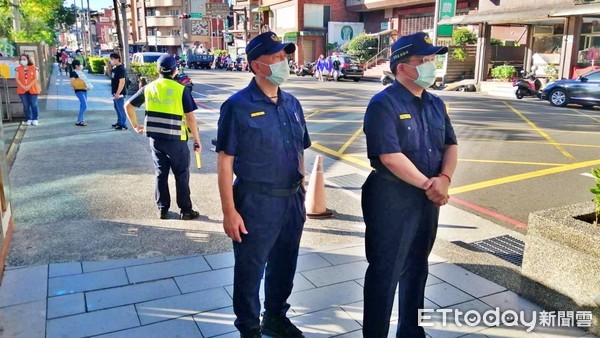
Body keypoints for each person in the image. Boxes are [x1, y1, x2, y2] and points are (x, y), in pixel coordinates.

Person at [361, 32, 458, 338]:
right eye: (423, 60)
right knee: (385, 272)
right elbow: (390, 156)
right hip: (391, 197)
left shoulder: (435, 103)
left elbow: (450, 145)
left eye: (432, 59)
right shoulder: (383, 104)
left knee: (418, 267)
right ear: (402, 68)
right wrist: (430, 184)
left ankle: (411, 331)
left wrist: (443, 179)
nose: (431, 65)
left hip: (427, 199)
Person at [216, 31, 310, 338]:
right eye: (278, 57)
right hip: (256, 202)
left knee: (285, 264)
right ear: (257, 66)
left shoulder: (292, 103)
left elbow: (300, 150)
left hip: (291, 200)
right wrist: (229, 211)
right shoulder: (237, 106)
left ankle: (275, 317)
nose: (285, 62)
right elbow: (225, 161)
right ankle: (249, 328)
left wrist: (303, 190)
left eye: (286, 56)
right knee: (250, 270)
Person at [124, 54, 201, 220]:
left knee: (161, 173)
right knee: (181, 174)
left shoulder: (149, 88)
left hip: (156, 139)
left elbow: (128, 105)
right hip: (177, 140)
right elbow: (190, 118)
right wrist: (197, 139)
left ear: (158, 70)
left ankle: (162, 209)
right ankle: (186, 210)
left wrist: (136, 126)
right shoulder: (181, 90)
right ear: (175, 70)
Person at [15, 54, 41, 126]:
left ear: (28, 60)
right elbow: (17, 78)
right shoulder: (18, 68)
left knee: (34, 104)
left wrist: (28, 86)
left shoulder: (34, 68)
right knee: (26, 105)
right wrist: (23, 86)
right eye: (21, 59)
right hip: (22, 89)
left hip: (33, 88)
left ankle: (35, 118)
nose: (22, 61)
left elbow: (36, 79)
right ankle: (28, 118)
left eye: (24, 59)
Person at [70, 59, 93, 126]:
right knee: (84, 105)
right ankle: (79, 120)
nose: (81, 66)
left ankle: (81, 120)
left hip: (84, 90)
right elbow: (72, 82)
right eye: (80, 64)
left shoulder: (80, 72)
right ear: (76, 66)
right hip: (79, 91)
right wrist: (76, 86)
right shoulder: (74, 73)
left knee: (82, 105)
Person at [109, 53, 128, 130]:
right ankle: (119, 122)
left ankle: (123, 124)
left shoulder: (121, 69)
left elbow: (122, 82)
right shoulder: (115, 68)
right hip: (115, 92)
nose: (111, 61)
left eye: (112, 59)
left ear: (117, 59)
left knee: (121, 108)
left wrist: (118, 93)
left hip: (120, 93)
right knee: (117, 108)